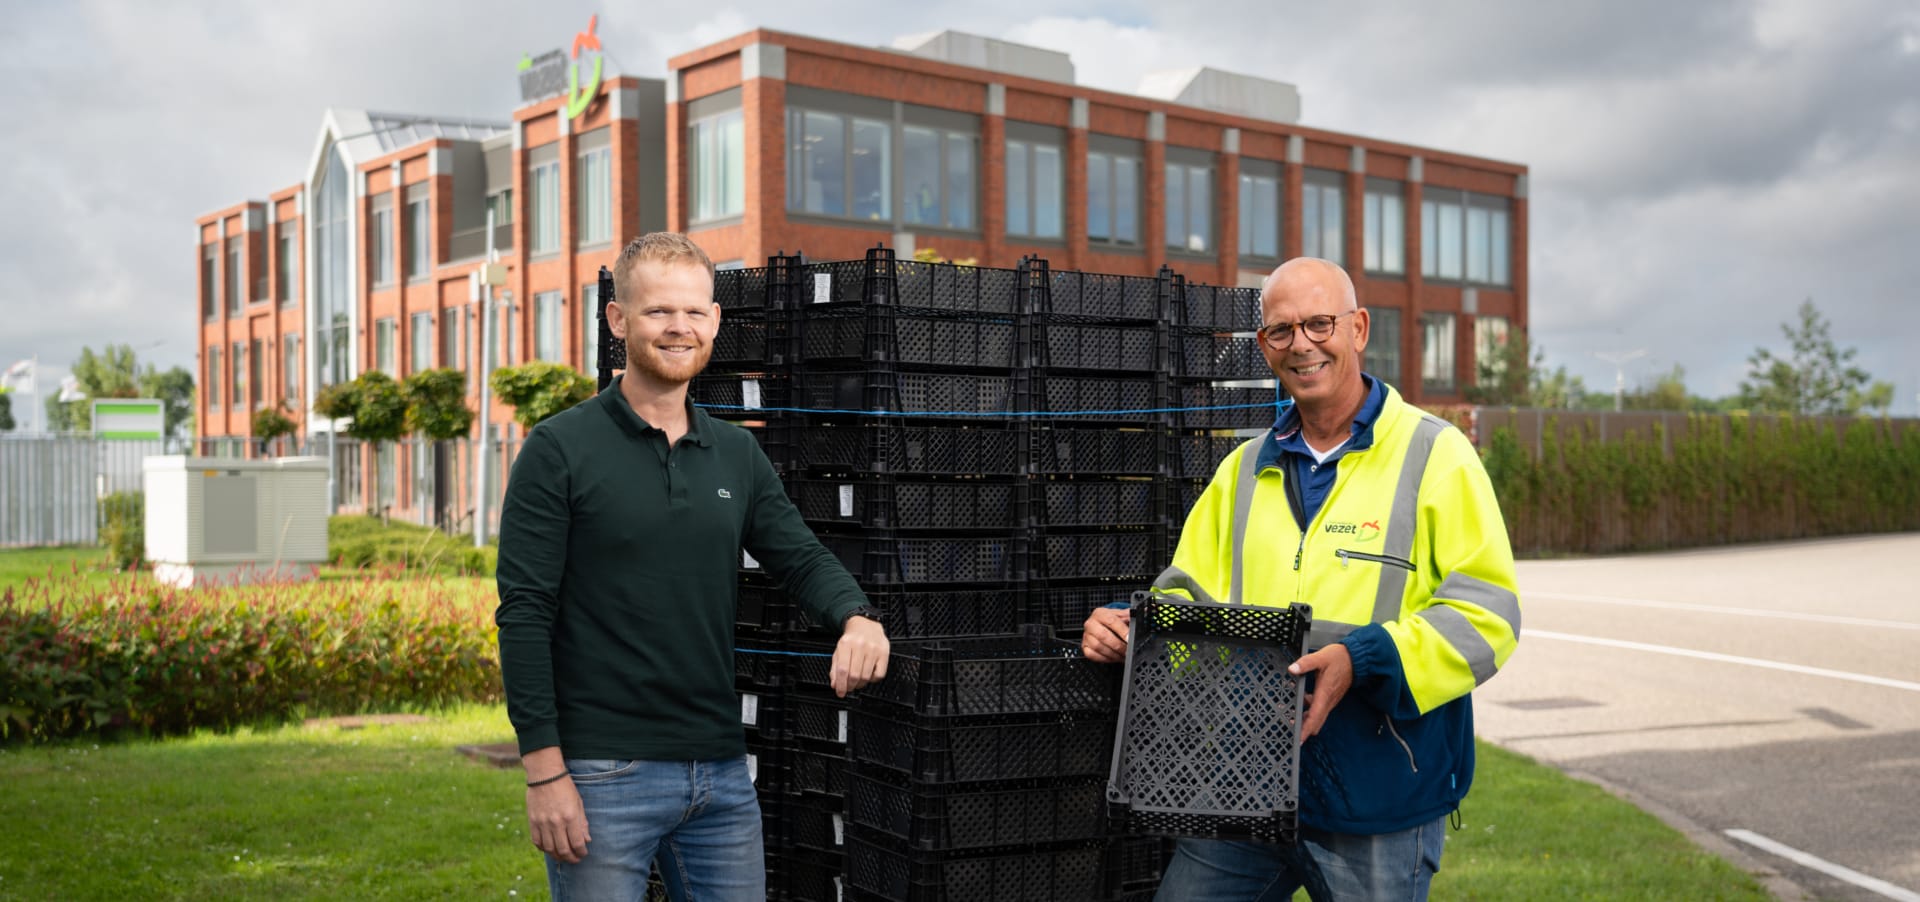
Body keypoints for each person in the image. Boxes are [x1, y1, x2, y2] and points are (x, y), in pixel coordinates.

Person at [1082, 257, 1520, 900]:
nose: (1302, 345)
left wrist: (1363, 658)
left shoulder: (1436, 454)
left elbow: (1486, 616)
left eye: (1320, 324)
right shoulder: (1241, 470)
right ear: (1264, 346)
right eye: (1282, 331)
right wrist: (1131, 626)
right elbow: (1185, 597)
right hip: (1240, 786)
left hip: (1376, 796)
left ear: (1359, 328)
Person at [495, 232, 890, 901]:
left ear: (714, 321)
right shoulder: (559, 449)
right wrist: (543, 771)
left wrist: (858, 618)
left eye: (695, 312)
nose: (680, 327)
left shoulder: (734, 452)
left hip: (719, 770)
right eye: (658, 312)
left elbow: (798, 553)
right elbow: (524, 614)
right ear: (618, 320)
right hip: (600, 771)